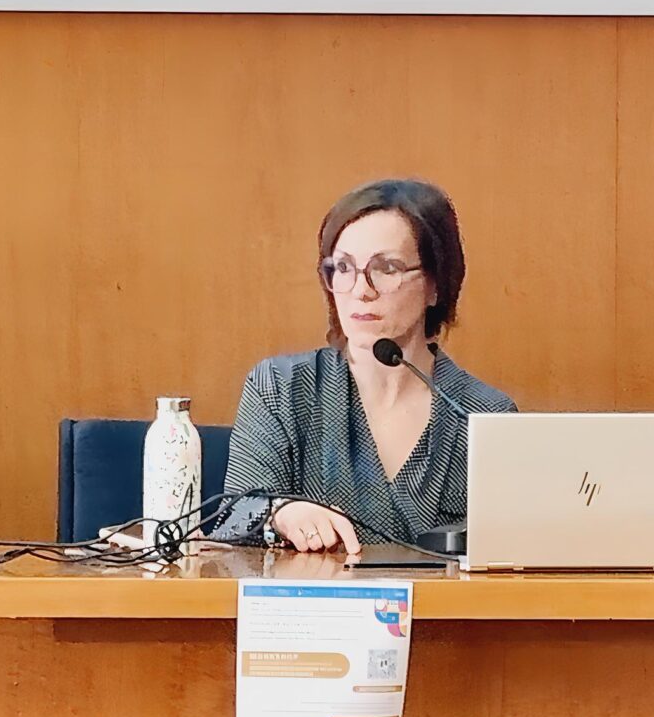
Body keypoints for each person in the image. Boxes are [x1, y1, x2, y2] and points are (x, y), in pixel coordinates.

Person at [214, 179, 514, 556]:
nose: (360, 290)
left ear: (435, 284)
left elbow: (512, 554)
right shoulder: (281, 387)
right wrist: (280, 514)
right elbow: (232, 519)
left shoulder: (485, 414)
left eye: (386, 268)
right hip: (315, 595)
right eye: (343, 267)